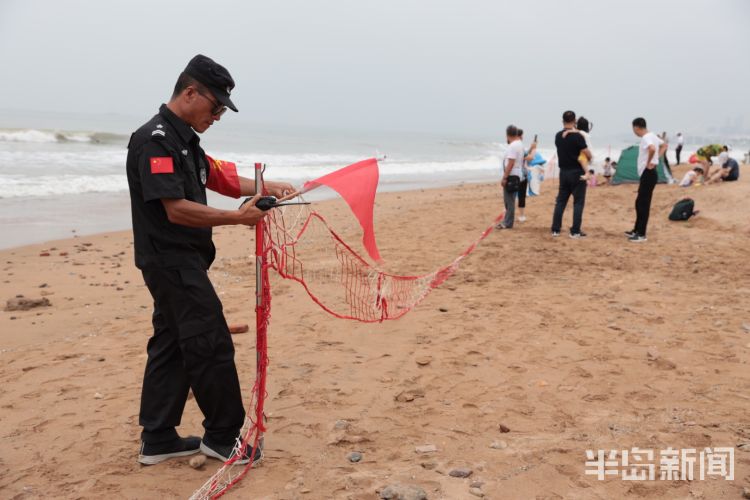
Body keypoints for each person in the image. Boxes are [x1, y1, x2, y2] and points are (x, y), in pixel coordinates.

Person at [126, 54, 294, 466]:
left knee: (173, 344)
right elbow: (175, 208)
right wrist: (238, 219)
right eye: (215, 106)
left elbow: (220, 178)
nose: (218, 115)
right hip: (171, 261)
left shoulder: (186, 141)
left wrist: (269, 185)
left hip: (185, 260)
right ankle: (222, 437)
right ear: (189, 92)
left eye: (223, 109)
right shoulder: (155, 140)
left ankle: (159, 437)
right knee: (209, 342)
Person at [551, 110, 592, 238]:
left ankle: (555, 229)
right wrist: (589, 158)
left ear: (562, 121)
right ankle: (575, 231)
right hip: (577, 172)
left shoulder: (558, 136)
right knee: (578, 202)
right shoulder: (578, 136)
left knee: (561, 201)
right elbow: (587, 153)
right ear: (574, 121)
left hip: (563, 172)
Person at [626, 117, 667, 242]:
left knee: (643, 204)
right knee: (639, 202)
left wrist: (650, 161)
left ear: (636, 127)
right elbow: (664, 145)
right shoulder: (653, 135)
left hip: (648, 173)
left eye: (634, 129)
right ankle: (637, 229)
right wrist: (656, 159)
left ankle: (641, 234)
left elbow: (653, 149)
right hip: (649, 173)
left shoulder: (646, 137)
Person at [497, 125, 525, 229]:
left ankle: (507, 223)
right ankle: (507, 221)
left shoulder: (513, 146)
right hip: (516, 174)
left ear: (508, 135)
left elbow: (511, 163)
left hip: (512, 175)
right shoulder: (519, 144)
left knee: (509, 200)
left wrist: (505, 177)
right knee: (510, 199)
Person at [516, 129, 538, 222]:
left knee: (512, 196)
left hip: (514, 174)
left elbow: (525, 155)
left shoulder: (514, 146)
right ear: (520, 136)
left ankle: (515, 214)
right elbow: (530, 158)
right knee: (521, 195)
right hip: (521, 175)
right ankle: (521, 215)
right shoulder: (519, 147)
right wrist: (534, 148)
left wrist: (531, 148)